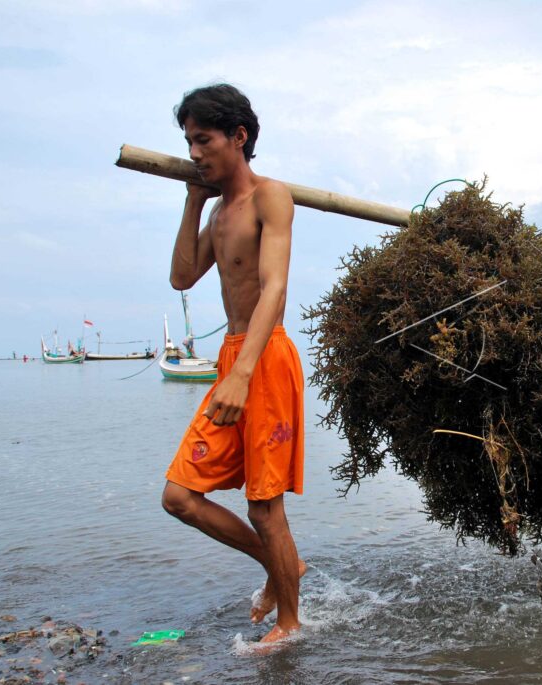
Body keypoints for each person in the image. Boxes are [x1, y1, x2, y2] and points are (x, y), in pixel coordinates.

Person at [159, 83, 307, 645]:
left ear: (238, 136)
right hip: (230, 358)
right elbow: (181, 277)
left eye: (204, 140)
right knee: (179, 497)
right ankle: (281, 565)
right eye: (188, 143)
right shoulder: (219, 212)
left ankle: (289, 624)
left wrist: (243, 374)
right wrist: (194, 200)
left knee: (264, 508)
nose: (194, 153)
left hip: (265, 358)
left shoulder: (271, 197)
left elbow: (275, 288)